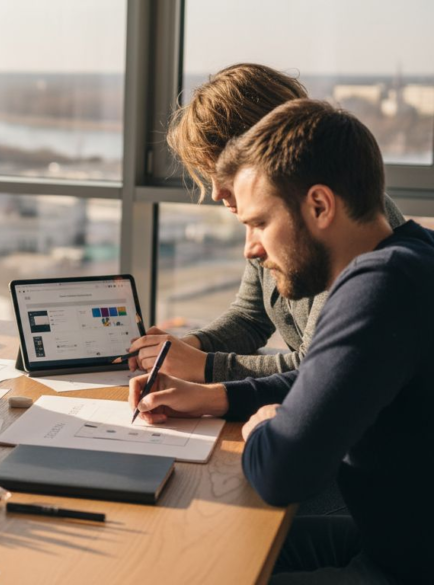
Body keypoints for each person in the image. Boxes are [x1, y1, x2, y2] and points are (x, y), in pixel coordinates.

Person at [129, 99, 434, 583]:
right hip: (391, 541)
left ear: (319, 205)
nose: (251, 248)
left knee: (191, 569)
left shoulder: (379, 287)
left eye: (259, 223)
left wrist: (263, 429)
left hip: (404, 569)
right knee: (193, 550)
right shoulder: (410, 257)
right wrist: (217, 397)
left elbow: (282, 474)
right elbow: (322, 384)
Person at [128, 63, 404, 384]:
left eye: (225, 170)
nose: (216, 192)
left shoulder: (346, 226)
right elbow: (250, 318)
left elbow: (315, 369)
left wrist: (205, 368)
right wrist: (186, 347)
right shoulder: (279, 221)